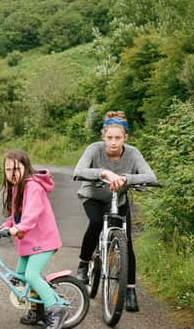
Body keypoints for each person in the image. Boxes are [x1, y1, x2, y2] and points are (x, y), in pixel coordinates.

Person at [73, 111, 157, 312]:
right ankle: (83, 265)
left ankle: (130, 291)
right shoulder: (94, 149)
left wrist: (126, 178)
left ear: (125, 137)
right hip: (93, 196)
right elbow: (79, 171)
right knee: (95, 222)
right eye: (109, 137)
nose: (113, 142)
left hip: (118, 200)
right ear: (103, 137)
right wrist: (105, 173)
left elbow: (150, 175)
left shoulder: (133, 153)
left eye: (117, 137)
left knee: (126, 242)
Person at [0, 150, 68, 329]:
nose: (12, 173)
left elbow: (31, 215)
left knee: (31, 274)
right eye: (8, 170)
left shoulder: (33, 187)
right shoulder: (17, 188)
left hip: (43, 241)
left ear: (26, 167)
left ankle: (55, 309)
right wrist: (6, 226)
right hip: (29, 243)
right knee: (21, 276)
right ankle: (38, 312)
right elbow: (17, 216)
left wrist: (18, 229)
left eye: (16, 168)